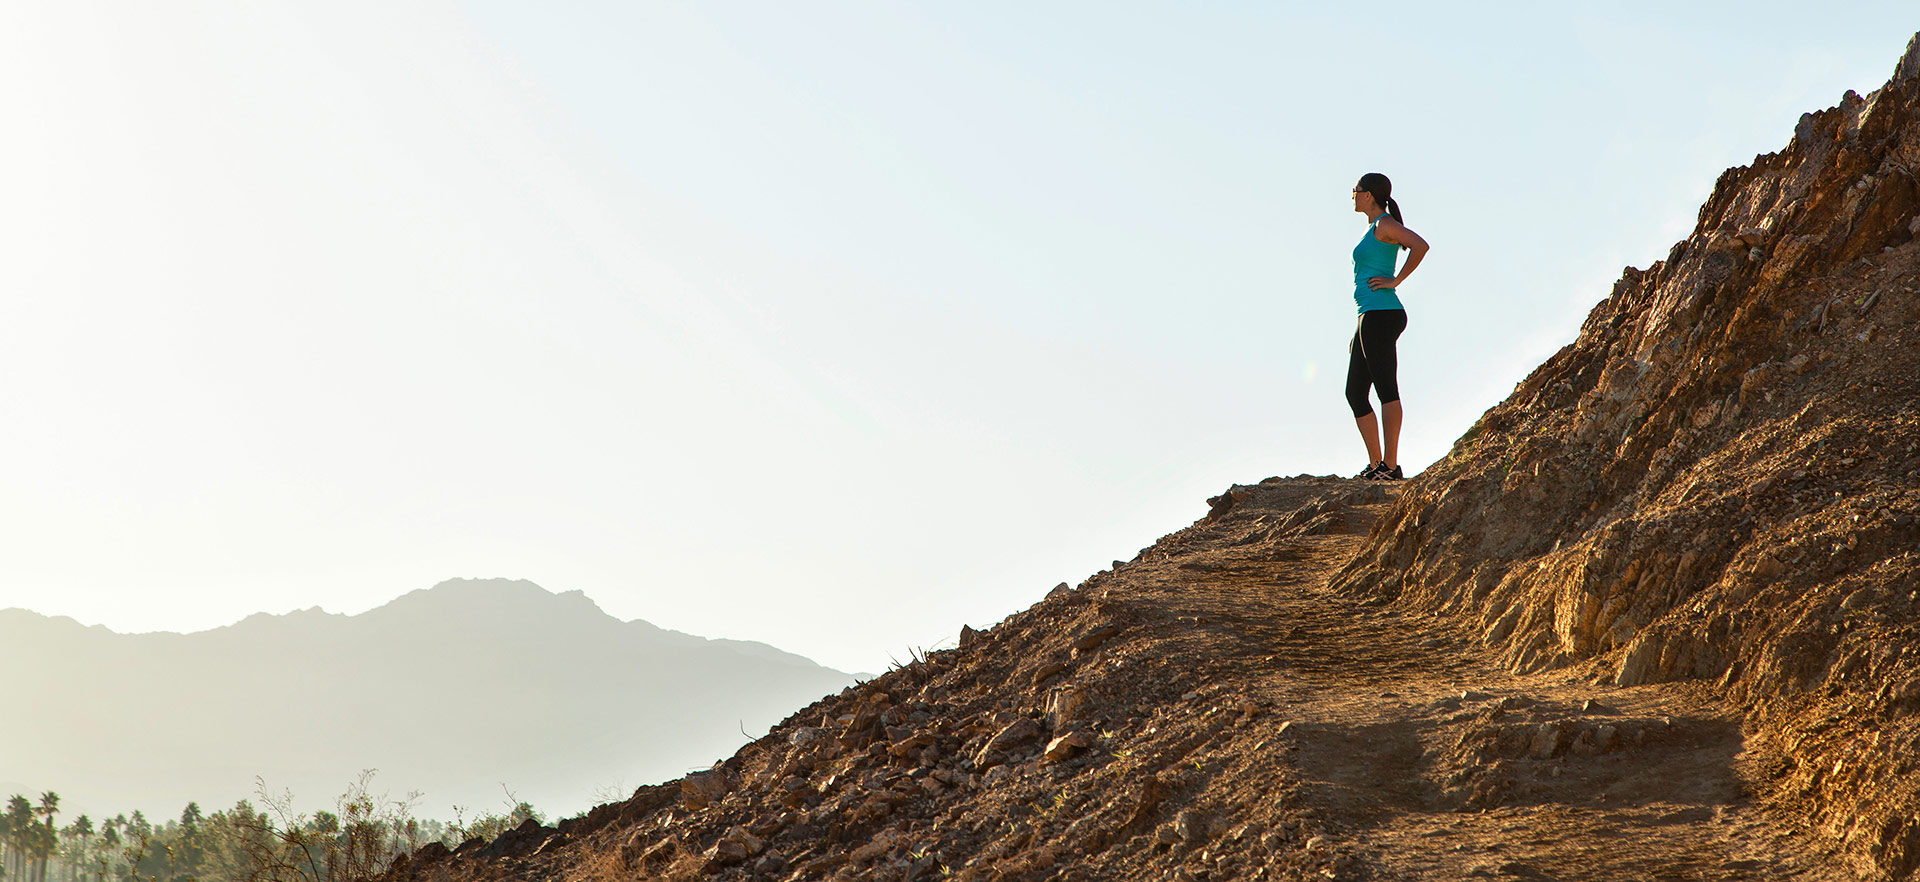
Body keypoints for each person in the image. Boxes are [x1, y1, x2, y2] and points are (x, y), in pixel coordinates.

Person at [1346, 172, 1429, 481]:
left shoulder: (1384, 224)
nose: (1353, 196)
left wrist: (1396, 281)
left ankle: (1391, 467)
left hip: (1382, 313)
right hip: (1367, 315)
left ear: (1368, 195)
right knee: (1355, 392)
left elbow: (1420, 245)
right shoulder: (1373, 228)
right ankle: (1376, 463)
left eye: (1355, 191)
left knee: (1385, 389)